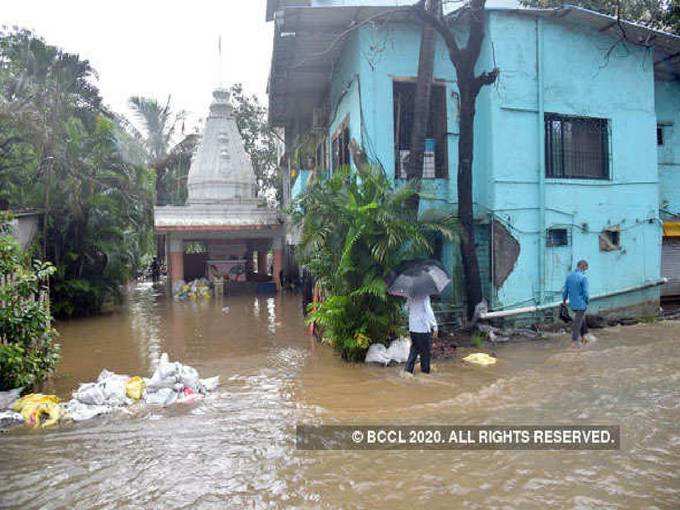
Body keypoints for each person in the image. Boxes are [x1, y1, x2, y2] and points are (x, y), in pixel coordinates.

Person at [405, 294, 438, 374]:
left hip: (413, 328)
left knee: (414, 349)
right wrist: (434, 326)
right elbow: (429, 311)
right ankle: (425, 373)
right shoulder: (425, 296)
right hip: (423, 329)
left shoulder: (410, 296)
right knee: (425, 352)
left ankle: (407, 371)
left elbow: (406, 308)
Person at [562, 260, 590, 346]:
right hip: (581, 303)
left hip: (573, 304)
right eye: (585, 268)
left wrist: (564, 300)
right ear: (583, 266)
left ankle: (585, 337)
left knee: (581, 318)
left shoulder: (569, 276)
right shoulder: (583, 278)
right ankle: (574, 341)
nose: (585, 270)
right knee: (578, 322)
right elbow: (585, 293)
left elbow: (565, 290)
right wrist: (586, 301)